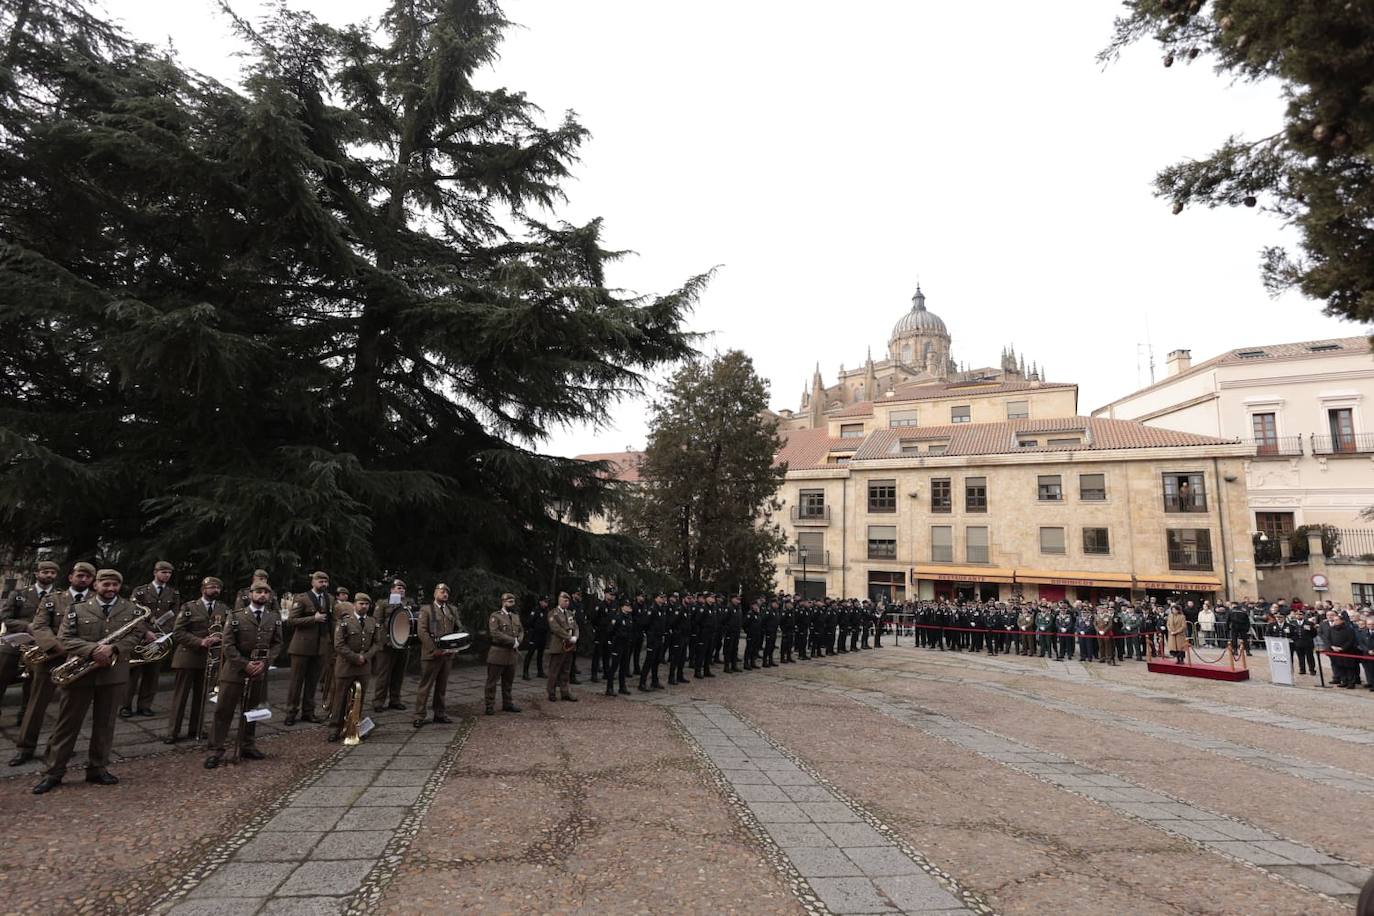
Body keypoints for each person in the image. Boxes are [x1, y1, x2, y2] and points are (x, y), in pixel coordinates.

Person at [34, 568, 151, 794]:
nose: (110, 589)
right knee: (66, 725)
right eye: (105, 584)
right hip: (80, 673)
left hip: (113, 674)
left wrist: (114, 648)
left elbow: (136, 636)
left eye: (115, 585)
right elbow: (64, 638)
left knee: (105, 725)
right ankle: (54, 772)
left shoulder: (131, 609)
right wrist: (93, 650)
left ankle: (98, 768)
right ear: (96, 585)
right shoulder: (76, 609)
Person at [10, 562, 94, 767]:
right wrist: (61, 648)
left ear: (92, 580)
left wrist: (80, 652)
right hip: (50, 659)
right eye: (79, 575)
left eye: (88, 577)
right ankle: (25, 748)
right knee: (36, 705)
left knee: (70, 709)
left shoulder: (96, 602)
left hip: (79, 662)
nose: (83, 579)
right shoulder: (52, 600)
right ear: (71, 577)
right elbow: (40, 626)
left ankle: (58, 748)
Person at [204, 581, 282, 768]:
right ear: (251, 594)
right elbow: (227, 645)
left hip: (258, 671)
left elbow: (277, 644)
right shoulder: (236, 616)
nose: (262, 595)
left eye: (265, 592)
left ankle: (247, 744)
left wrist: (264, 663)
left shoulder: (273, 617)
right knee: (224, 710)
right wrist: (245, 664)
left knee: (252, 711)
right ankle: (217, 748)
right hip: (235, 671)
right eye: (258, 592)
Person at [164, 576, 228, 744]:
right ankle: (173, 732)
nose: (215, 590)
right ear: (203, 589)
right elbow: (178, 632)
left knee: (201, 696)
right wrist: (200, 641)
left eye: (218, 588)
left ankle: (196, 728)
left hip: (209, 659)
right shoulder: (189, 607)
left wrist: (220, 638)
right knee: (181, 696)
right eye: (212, 587)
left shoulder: (223, 609)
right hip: (187, 656)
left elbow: (229, 630)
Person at [0, 559, 59, 725]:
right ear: (37, 574)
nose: (48, 575)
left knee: (33, 683)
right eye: (45, 572)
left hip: (40, 645)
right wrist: (27, 626)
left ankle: (25, 716)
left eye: (52, 573)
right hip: (15, 641)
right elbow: (5, 617)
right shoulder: (19, 594)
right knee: (2, 674)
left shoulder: (59, 597)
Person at [327, 593, 382, 741]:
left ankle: (354, 726)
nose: (364, 606)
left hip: (364, 666)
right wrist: (355, 657)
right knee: (340, 697)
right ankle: (335, 728)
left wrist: (366, 657)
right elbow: (338, 645)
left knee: (359, 698)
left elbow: (377, 643)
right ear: (354, 605)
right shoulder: (344, 622)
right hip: (346, 666)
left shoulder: (372, 622)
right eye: (361, 604)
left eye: (366, 604)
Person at [284, 571, 333, 726]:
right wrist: (314, 618)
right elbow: (291, 620)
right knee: (296, 682)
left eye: (325, 581)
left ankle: (308, 712)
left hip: (320, 646)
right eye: (320, 581)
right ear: (313, 582)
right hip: (302, 646)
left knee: (312, 682)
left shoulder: (329, 599)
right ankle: (291, 712)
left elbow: (331, 621)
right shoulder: (302, 598)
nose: (323, 584)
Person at [415, 583, 459, 726]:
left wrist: (457, 645)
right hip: (432, 655)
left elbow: (458, 628)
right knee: (425, 686)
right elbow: (422, 631)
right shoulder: (427, 610)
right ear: (435, 594)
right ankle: (419, 716)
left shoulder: (452, 610)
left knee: (442, 687)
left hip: (447, 655)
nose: (444, 594)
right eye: (441, 591)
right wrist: (434, 649)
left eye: (447, 592)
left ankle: (439, 713)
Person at [372, 579, 412, 713]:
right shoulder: (383, 603)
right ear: (391, 590)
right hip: (387, 644)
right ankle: (378, 702)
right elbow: (377, 623)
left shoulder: (408, 603)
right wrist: (383, 641)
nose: (401, 590)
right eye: (398, 588)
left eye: (403, 588)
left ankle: (395, 700)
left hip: (402, 643)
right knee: (383, 675)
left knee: (398, 674)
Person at [484, 592, 523, 715]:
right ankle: (489, 705)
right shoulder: (496, 616)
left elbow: (521, 630)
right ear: (503, 602)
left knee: (508, 682)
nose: (512, 604)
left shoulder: (516, 616)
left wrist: (519, 640)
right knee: (492, 682)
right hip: (498, 653)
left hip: (511, 654)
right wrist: (512, 641)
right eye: (509, 602)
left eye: (513, 602)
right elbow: (495, 633)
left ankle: (507, 703)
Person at [545, 591, 579, 702]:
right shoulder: (553, 613)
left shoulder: (570, 613)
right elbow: (555, 628)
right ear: (559, 600)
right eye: (565, 600)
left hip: (569, 646)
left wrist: (575, 637)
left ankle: (565, 692)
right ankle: (551, 692)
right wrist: (568, 637)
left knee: (566, 670)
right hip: (558, 645)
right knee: (554, 670)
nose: (567, 602)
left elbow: (576, 626)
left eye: (568, 600)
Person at [603, 601, 633, 697]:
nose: (629, 607)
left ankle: (622, 686)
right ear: (622, 607)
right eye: (627, 606)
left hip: (626, 644)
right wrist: (610, 642)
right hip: (617, 644)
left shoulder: (629, 617)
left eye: (629, 606)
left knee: (624, 666)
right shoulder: (617, 617)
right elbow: (610, 630)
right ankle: (609, 688)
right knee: (614, 667)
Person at [521, 597, 548, 680]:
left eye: (547, 602)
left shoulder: (547, 611)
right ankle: (525, 673)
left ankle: (540, 671)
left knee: (540, 654)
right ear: (540, 602)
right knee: (530, 653)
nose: (546, 604)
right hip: (535, 635)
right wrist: (532, 630)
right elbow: (529, 622)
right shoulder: (536, 610)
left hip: (543, 635)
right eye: (544, 602)